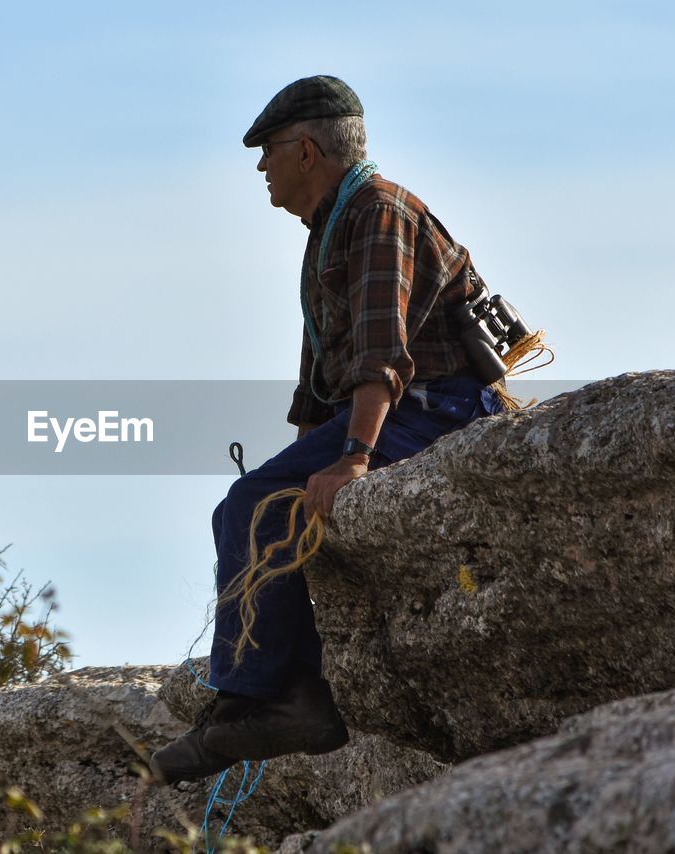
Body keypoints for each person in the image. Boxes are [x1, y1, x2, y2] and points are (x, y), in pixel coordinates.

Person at [150, 75, 503, 784]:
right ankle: (252, 695)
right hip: (400, 408)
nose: (261, 168)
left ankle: (281, 700)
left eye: (269, 151)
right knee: (251, 500)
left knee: (256, 504)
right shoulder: (330, 229)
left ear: (306, 150)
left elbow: (381, 359)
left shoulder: (378, 213)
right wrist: (311, 450)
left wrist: (352, 459)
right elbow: (319, 389)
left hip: (443, 408)